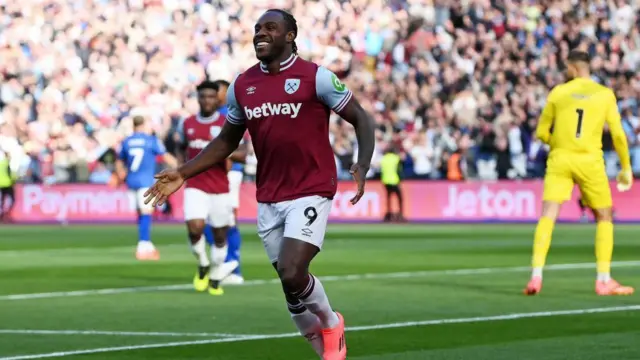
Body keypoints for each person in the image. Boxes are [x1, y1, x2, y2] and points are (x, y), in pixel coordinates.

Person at [144, 9, 375, 360]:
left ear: (290, 36)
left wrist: (361, 162)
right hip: (269, 194)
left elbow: (361, 118)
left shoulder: (317, 78)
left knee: (291, 270)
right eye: (257, 29)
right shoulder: (242, 86)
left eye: (270, 28)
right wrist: (184, 172)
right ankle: (326, 350)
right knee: (290, 287)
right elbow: (225, 142)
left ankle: (331, 322)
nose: (260, 34)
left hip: (312, 186)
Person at [524, 50, 634, 296]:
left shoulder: (558, 93)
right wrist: (626, 167)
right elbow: (617, 134)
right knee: (604, 216)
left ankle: (536, 277)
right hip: (589, 160)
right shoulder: (604, 94)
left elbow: (541, 132)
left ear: (573, 68)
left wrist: (559, 143)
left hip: (560, 159)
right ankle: (603, 279)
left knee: (548, 215)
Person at [176, 80, 246, 295]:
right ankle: (203, 263)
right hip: (195, 185)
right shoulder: (186, 123)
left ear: (218, 99)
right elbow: (180, 148)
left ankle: (215, 273)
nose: (207, 100)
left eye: (211, 97)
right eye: (203, 96)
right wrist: (181, 171)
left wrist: (217, 148)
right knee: (194, 228)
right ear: (198, 99)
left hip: (220, 188)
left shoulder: (228, 122)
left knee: (219, 236)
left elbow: (243, 154)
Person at [116, 116, 177, 260]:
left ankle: (146, 243)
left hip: (131, 181)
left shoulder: (127, 141)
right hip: (146, 181)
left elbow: (119, 161)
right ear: (143, 125)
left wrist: (120, 174)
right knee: (146, 212)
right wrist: (179, 167)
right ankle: (143, 244)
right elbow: (165, 156)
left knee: (140, 212)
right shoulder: (150, 140)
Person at [380, 145, 405, 222]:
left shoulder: (384, 158)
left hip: (385, 181)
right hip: (394, 180)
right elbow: (399, 169)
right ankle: (400, 215)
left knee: (388, 198)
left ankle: (389, 215)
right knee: (400, 198)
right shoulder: (396, 158)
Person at [0, 149, 15, 222]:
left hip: (1, 185)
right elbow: (10, 175)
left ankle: (2, 215)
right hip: (8, 184)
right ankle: (7, 215)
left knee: (2, 200)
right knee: (12, 199)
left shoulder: (1, 163)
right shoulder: (7, 164)